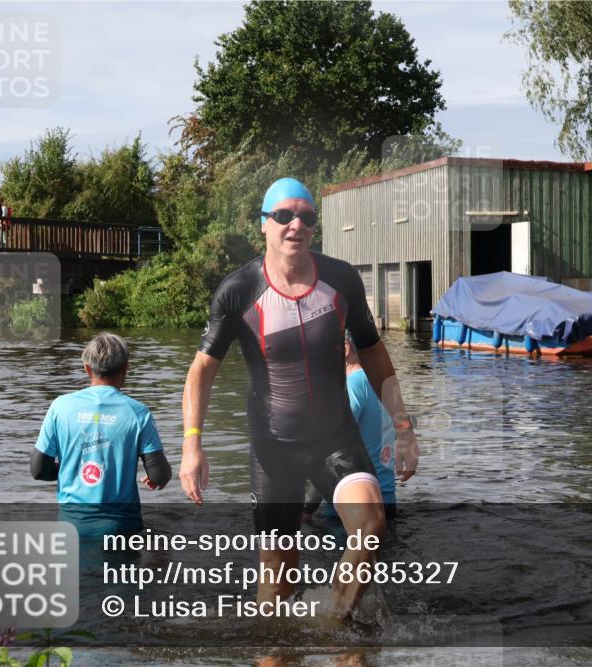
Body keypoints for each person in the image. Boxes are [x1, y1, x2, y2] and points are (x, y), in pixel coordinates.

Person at [180, 177, 419, 620]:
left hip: (337, 440)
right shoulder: (239, 290)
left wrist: (403, 428)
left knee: (370, 530)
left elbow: (374, 354)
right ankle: (278, 647)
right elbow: (201, 372)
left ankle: (333, 626)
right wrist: (192, 444)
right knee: (277, 574)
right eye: (284, 215)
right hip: (274, 450)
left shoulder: (341, 279)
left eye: (306, 217)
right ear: (264, 225)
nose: (296, 225)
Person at [31, 332, 172, 536]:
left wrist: (72, 469)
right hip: (121, 529)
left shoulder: (60, 407)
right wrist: (159, 475)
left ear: (88, 369)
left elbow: (38, 470)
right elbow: (159, 475)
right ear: (125, 368)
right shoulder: (138, 412)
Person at [303, 333, 397, 523]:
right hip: (386, 500)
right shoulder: (381, 385)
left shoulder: (352, 386)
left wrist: (307, 509)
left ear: (344, 349)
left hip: (353, 505)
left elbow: (329, 452)